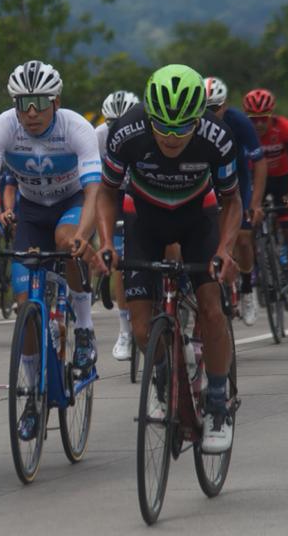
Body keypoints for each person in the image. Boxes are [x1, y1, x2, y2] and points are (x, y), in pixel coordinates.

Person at [97, 64, 242, 453]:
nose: (172, 136)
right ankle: (163, 377)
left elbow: (232, 201)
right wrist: (106, 243)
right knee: (142, 327)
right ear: (149, 117)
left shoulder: (218, 136)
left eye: (183, 127)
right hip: (145, 218)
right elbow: (107, 192)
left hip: (199, 218)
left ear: (200, 118)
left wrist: (225, 250)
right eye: (163, 126)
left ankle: (215, 403)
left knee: (212, 309)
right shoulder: (126, 131)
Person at [0, 60, 102, 441]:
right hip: (31, 211)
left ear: (56, 100)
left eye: (40, 102)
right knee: (26, 304)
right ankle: (33, 397)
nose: (31, 112)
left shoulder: (76, 128)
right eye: (23, 102)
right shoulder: (2, 127)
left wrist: (84, 235)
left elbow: (95, 191)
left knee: (67, 242)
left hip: (72, 202)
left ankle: (86, 329)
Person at [205, 77, 267, 324]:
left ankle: (248, 289)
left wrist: (255, 204)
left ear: (226, 105)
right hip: (206, 181)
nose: (211, 113)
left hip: (236, 180)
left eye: (216, 108)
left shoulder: (239, 122)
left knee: (242, 237)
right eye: (206, 109)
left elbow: (259, 163)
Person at [243, 88, 288, 313]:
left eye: (263, 119)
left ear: (272, 115)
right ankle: (252, 268)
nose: (258, 124)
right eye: (253, 119)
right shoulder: (243, 131)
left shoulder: (285, 130)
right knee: (248, 225)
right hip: (255, 179)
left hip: (282, 179)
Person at [96, 90, 141, 361]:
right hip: (114, 197)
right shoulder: (98, 136)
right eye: (113, 123)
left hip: (143, 197)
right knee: (120, 265)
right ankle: (125, 329)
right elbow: (93, 185)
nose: (118, 129)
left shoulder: (145, 134)